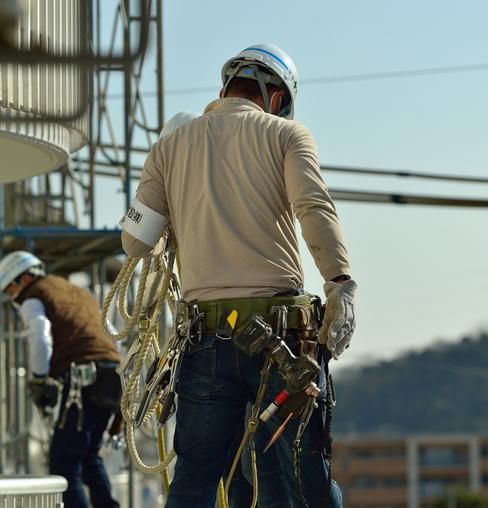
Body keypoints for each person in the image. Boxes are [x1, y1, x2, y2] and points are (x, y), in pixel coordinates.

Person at [120, 43, 356, 508]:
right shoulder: (287, 134)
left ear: (224, 89)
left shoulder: (169, 145)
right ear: (276, 98)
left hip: (205, 340)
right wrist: (340, 283)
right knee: (292, 478)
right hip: (282, 342)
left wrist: (180, 202)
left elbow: (135, 242)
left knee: (195, 479)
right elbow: (313, 208)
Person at [0, 251, 122, 508]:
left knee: (64, 462)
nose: (11, 297)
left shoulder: (34, 295)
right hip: (111, 377)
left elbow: (40, 335)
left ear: (23, 279)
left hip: (83, 381)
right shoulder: (77, 293)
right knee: (89, 457)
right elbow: (110, 332)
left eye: (9, 289)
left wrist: (39, 379)